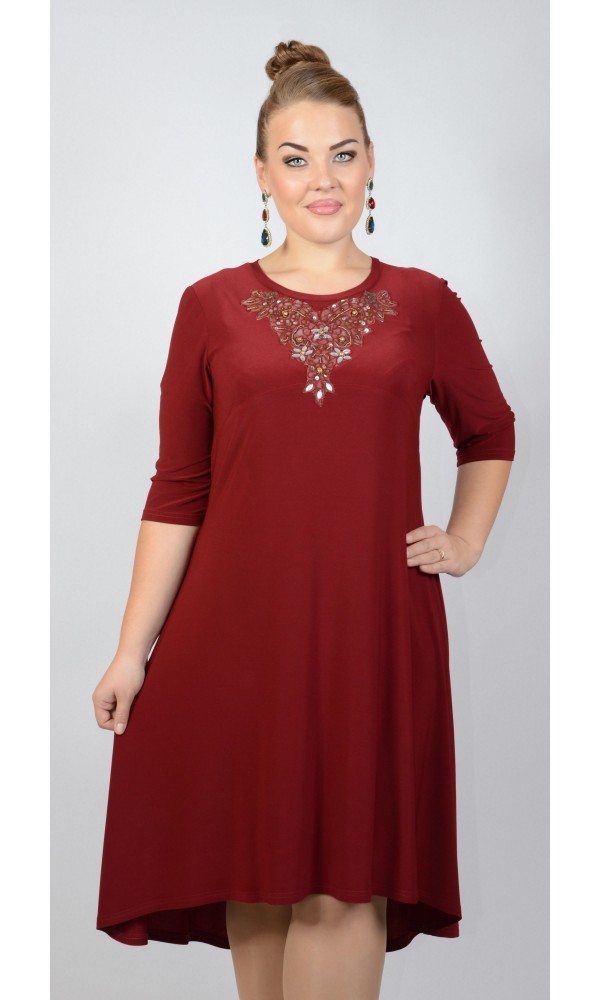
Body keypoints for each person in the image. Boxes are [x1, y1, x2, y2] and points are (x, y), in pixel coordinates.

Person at [92, 39, 516, 1000]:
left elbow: (489, 429)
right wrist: (130, 652)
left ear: (371, 165)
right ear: (261, 175)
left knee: (344, 885)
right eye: (296, 158)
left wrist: (465, 539)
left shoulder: (423, 303)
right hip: (236, 640)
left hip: (373, 632)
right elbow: (178, 489)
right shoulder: (209, 307)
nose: (321, 179)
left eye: (342, 154)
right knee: (263, 884)